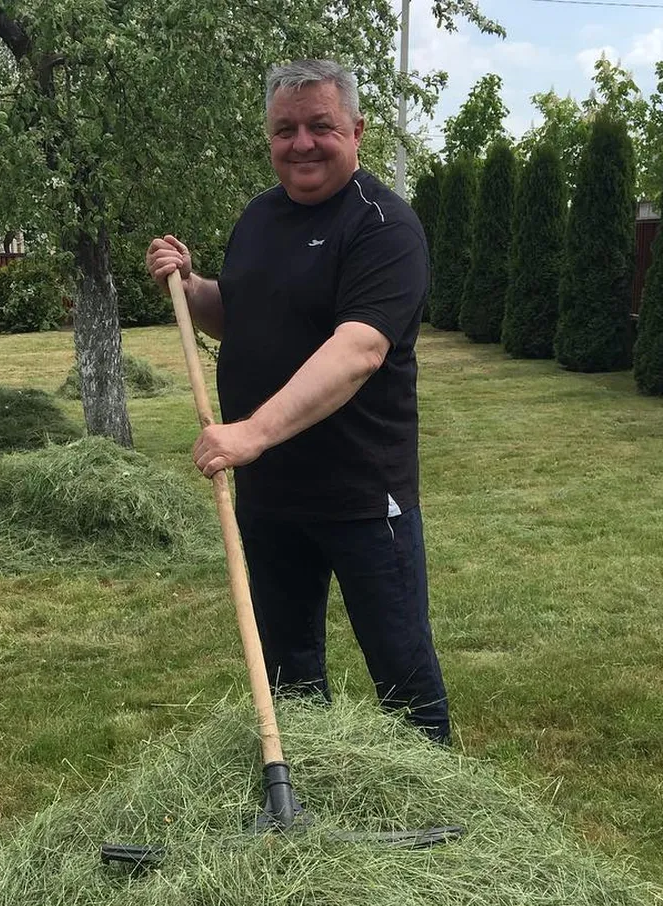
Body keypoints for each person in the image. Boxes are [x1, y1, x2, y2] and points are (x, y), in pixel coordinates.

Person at [146, 58, 449, 743]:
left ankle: (442, 813)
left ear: (357, 130)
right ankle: (306, 789)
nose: (302, 143)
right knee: (289, 669)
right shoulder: (259, 217)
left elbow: (359, 350)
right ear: (269, 136)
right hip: (271, 496)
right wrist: (192, 288)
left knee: (400, 668)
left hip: (364, 497)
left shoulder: (384, 227)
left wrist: (251, 431)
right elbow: (241, 315)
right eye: (285, 129)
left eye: (320, 126)